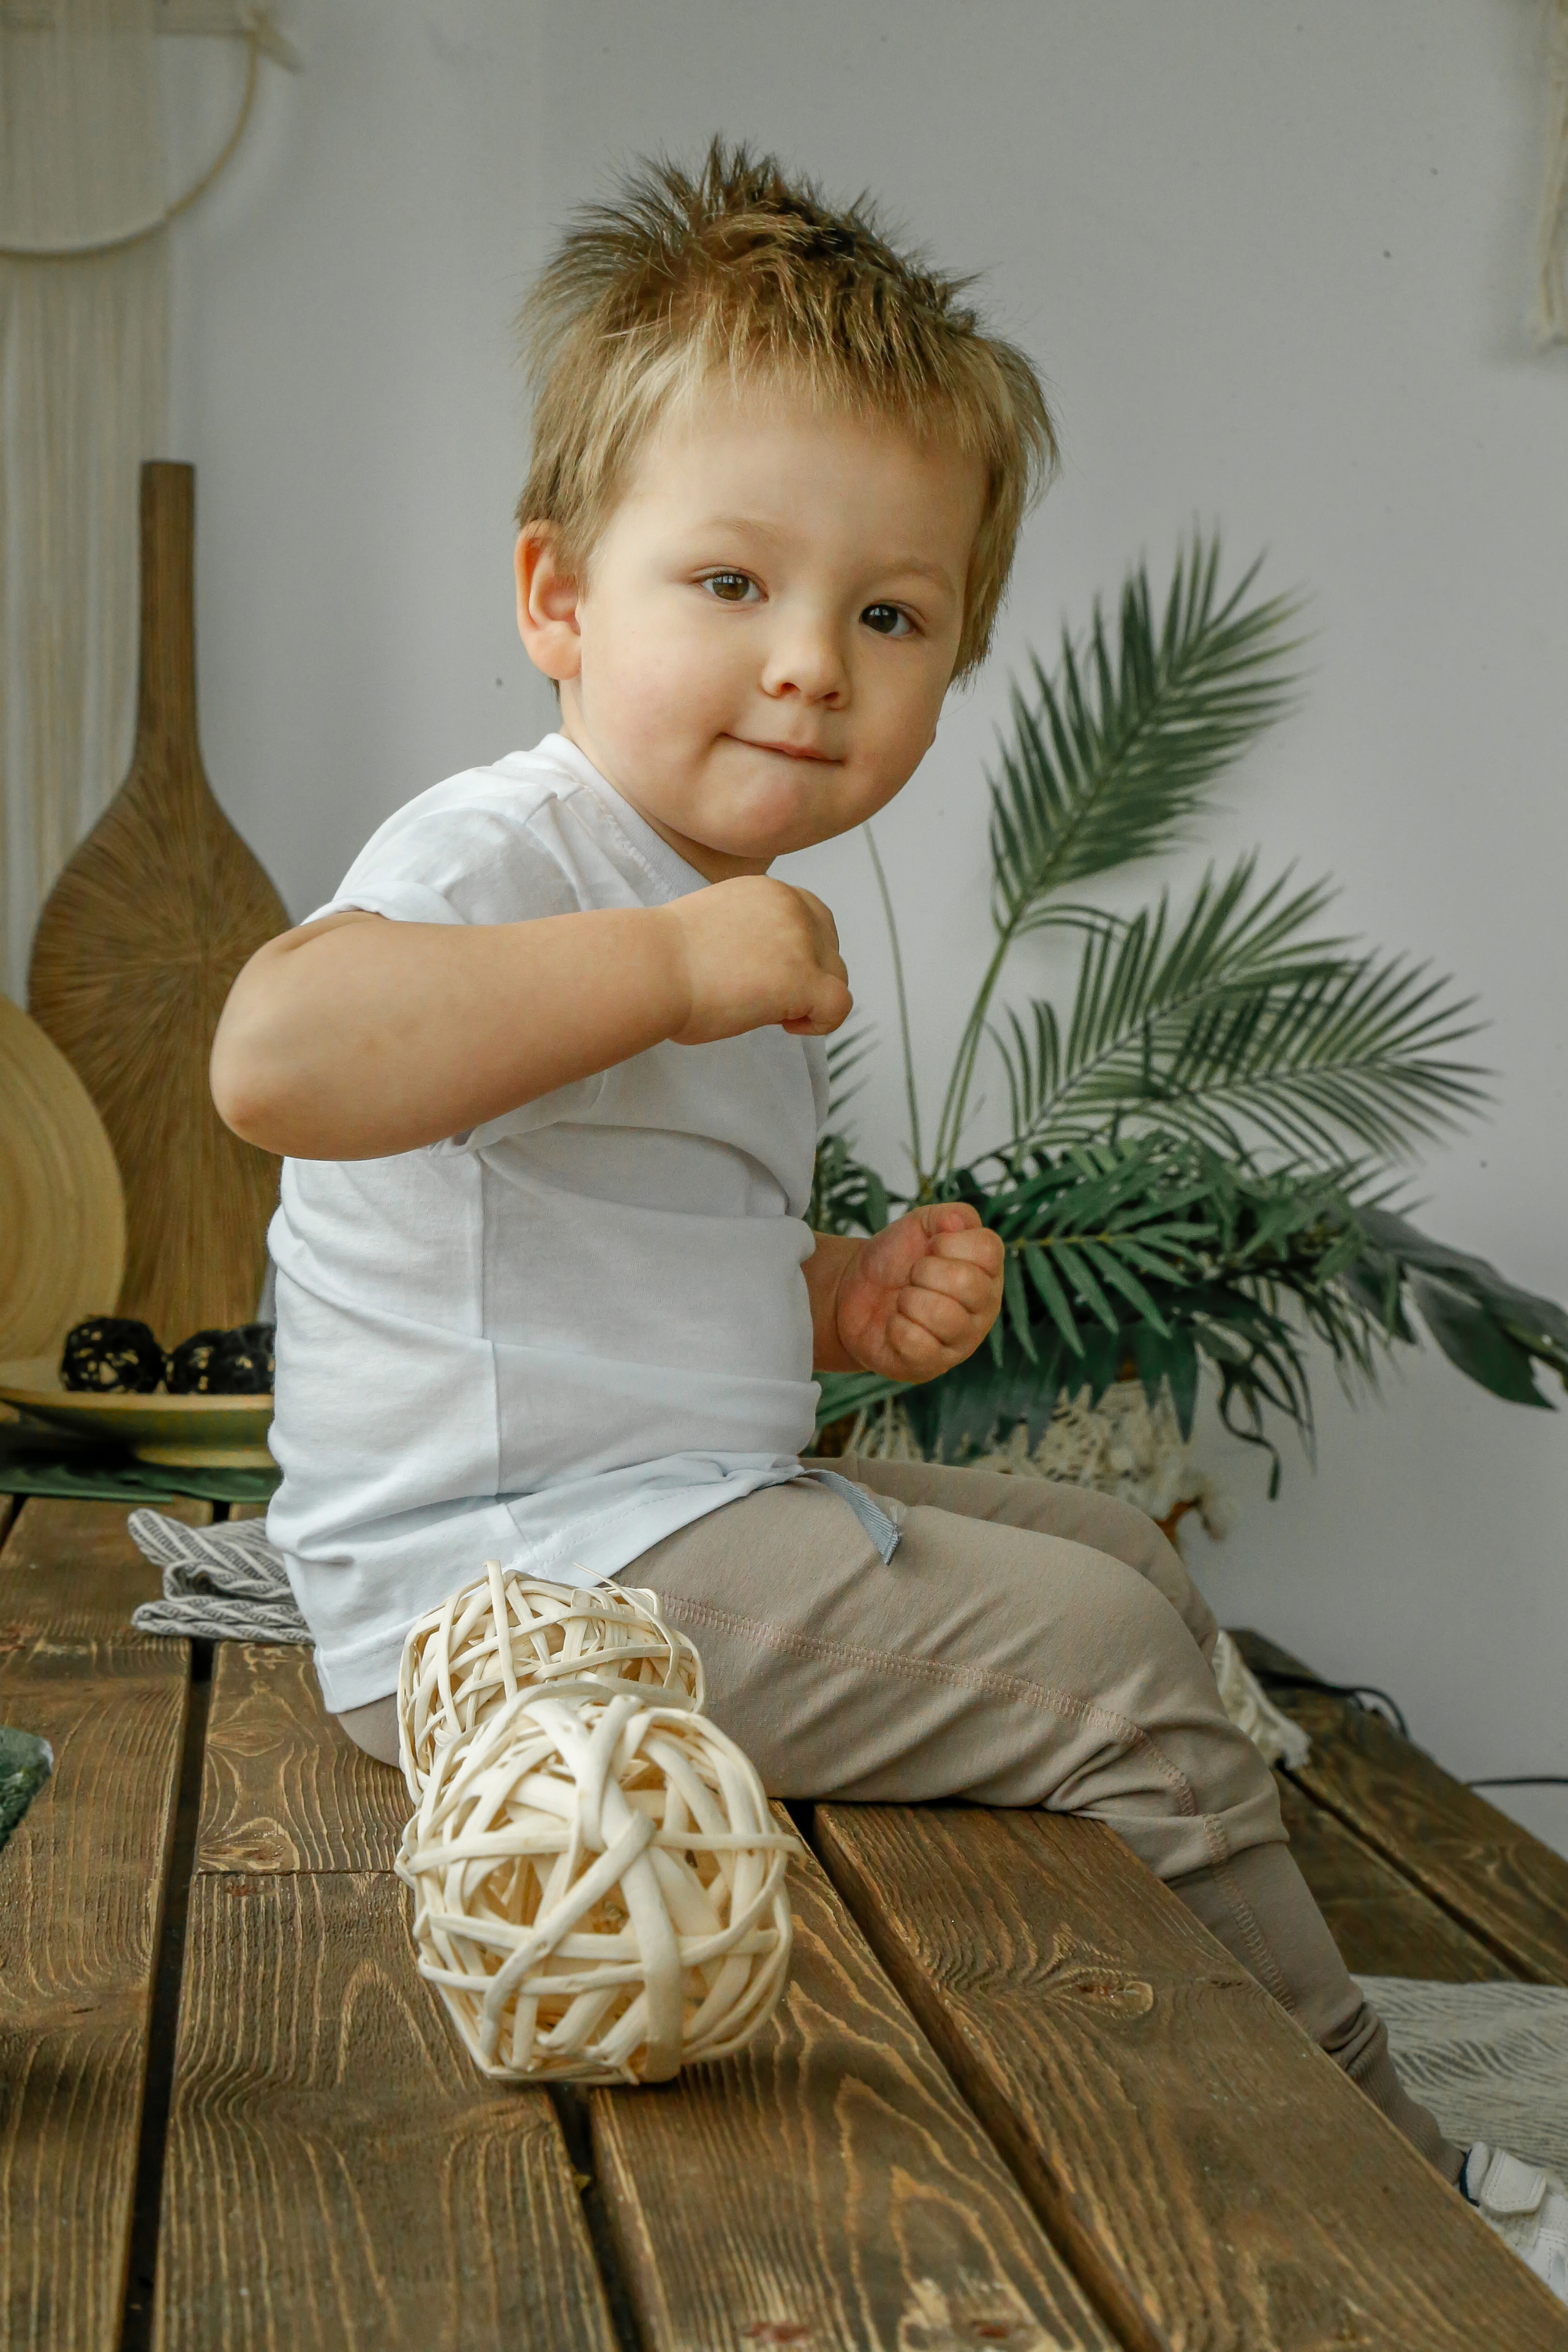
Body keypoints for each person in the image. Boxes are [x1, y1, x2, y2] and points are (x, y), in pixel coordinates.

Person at [211, 143, 1565, 2292]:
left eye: (890, 614)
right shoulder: (515, 852)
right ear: (559, 599)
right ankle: (1370, 2147)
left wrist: (835, 1305)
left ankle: (1148, 1961)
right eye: (730, 586)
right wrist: (666, 972)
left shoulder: (709, 915)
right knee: (1123, 1664)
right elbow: (279, 1061)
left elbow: (590, 1260)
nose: (813, 666)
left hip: (646, 1500)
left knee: (1113, 1553)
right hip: (513, 1600)